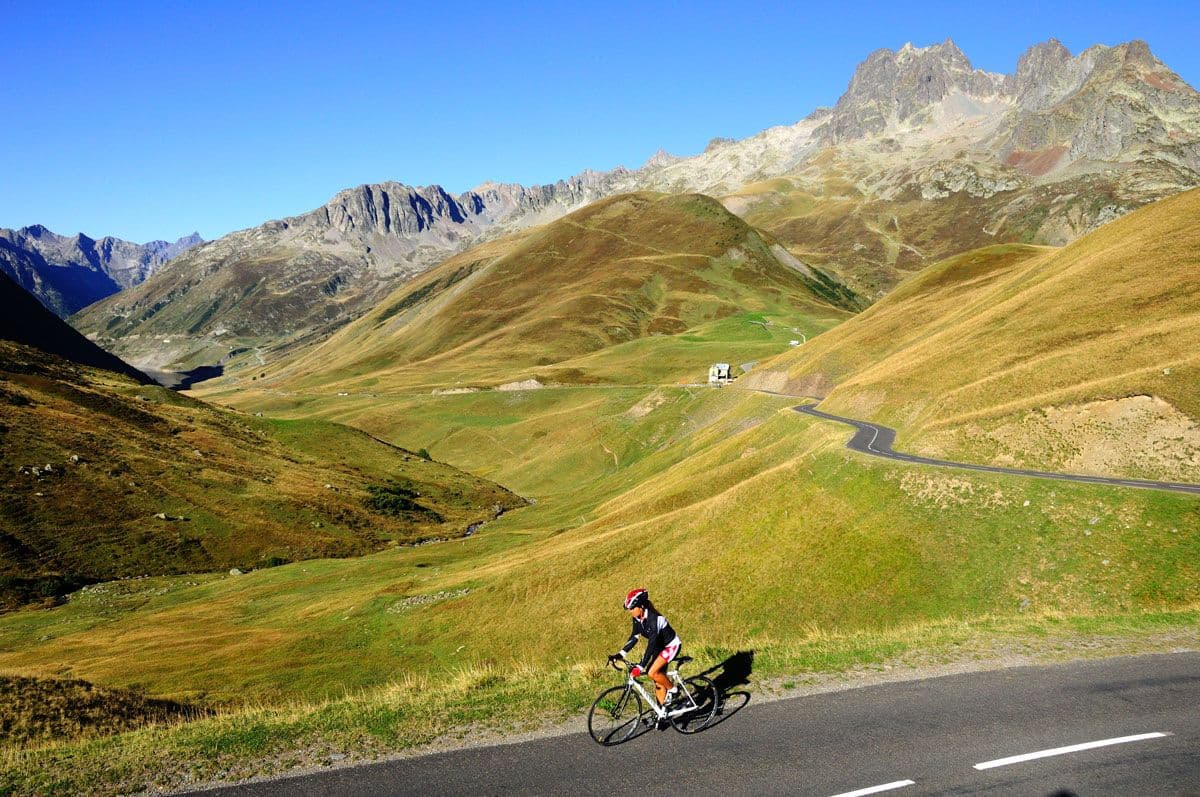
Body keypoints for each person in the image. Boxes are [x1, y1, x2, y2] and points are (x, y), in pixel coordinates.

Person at [608, 588, 682, 709]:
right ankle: (662, 713)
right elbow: (634, 637)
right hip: (659, 648)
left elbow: (651, 645)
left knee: (651, 672)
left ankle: (674, 690)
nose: (630, 611)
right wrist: (620, 654)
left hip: (671, 646)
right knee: (658, 679)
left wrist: (641, 666)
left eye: (632, 608)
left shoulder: (655, 619)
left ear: (641, 606)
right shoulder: (637, 618)